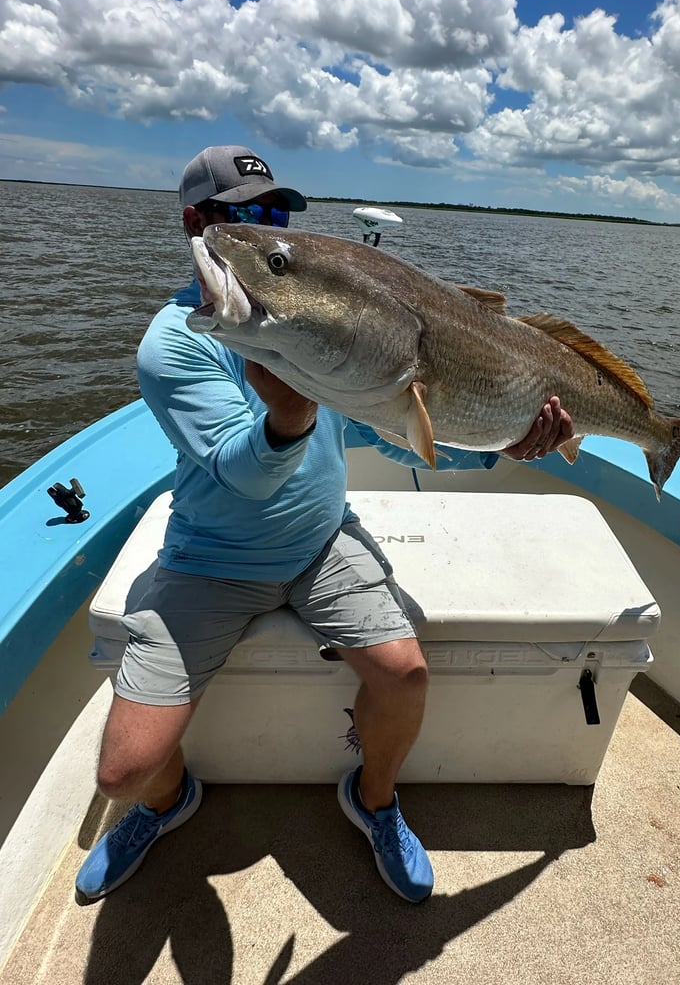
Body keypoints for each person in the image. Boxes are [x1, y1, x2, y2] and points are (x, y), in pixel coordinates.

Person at [75, 145, 574, 907]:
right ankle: (165, 803)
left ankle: (373, 800)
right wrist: (290, 413)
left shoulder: (313, 328)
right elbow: (241, 472)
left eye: (272, 218)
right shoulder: (173, 344)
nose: (258, 229)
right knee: (122, 772)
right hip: (212, 556)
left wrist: (502, 445)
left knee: (405, 672)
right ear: (194, 225)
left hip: (319, 541)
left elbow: (387, 427)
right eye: (237, 217)